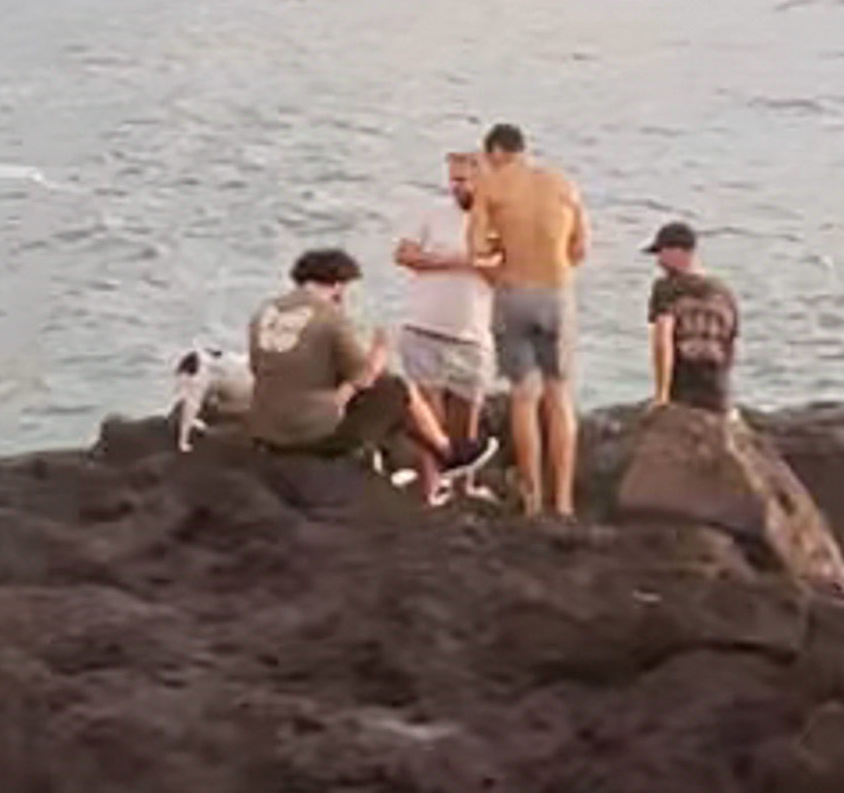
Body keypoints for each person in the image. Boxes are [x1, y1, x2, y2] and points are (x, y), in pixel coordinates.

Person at [472, 119, 591, 518]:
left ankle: (533, 499)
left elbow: (477, 249)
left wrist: (499, 270)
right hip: (555, 292)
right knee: (559, 395)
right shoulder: (563, 184)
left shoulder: (491, 186)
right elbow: (580, 248)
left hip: (513, 291)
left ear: (495, 154)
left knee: (524, 397)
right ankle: (565, 502)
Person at [240, 246, 437, 486]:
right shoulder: (329, 316)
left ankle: (420, 458)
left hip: (264, 430)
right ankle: (442, 453)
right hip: (308, 435)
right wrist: (380, 350)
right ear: (338, 285)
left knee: (353, 388)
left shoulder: (264, 311)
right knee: (395, 388)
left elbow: (256, 367)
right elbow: (364, 377)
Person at [389, 144, 500, 478]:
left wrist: (474, 263)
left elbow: (504, 273)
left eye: (464, 180)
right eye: (453, 180)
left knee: (466, 420)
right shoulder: (431, 212)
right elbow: (405, 255)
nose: (457, 187)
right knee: (430, 420)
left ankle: (463, 485)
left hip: (473, 333)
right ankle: (431, 487)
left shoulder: (503, 222)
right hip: (424, 326)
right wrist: (455, 261)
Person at [645, 223, 744, 413]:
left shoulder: (666, 288)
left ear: (678, 252)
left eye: (661, 253)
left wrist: (661, 396)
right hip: (718, 387)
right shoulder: (724, 293)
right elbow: (730, 343)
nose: (658, 262)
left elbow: (662, 340)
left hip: (684, 382)